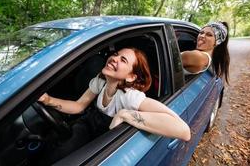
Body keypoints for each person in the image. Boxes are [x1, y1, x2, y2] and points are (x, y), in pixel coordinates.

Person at [38, 47, 191, 161]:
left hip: (102, 145)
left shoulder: (129, 97)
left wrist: (125, 114)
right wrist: (48, 100)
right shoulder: (100, 82)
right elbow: (79, 106)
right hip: (86, 128)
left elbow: (184, 130)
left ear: (131, 77)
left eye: (123, 60)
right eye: (116, 55)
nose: (114, 58)